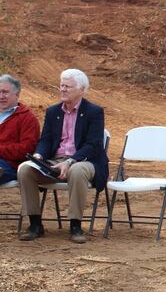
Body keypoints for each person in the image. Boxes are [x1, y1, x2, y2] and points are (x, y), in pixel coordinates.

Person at [18, 69, 108, 244]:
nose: (63, 89)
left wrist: (70, 161)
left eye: (68, 86)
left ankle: (75, 225)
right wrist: (38, 155)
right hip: (55, 160)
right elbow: (46, 139)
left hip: (85, 160)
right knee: (25, 169)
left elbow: (93, 144)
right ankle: (35, 224)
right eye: (61, 85)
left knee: (77, 171)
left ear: (81, 90)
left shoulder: (94, 111)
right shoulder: (53, 111)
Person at [0, 74, 40, 185]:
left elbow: (26, 150)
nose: (1, 96)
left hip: (11, 165)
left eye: (5, 92)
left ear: (17, 94)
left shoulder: (27, 118)